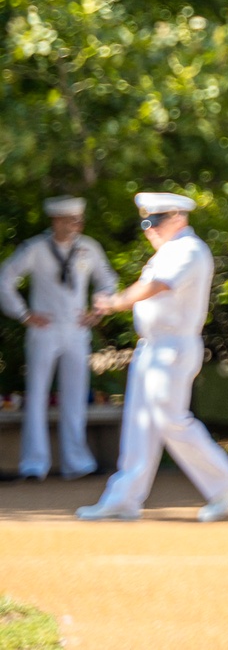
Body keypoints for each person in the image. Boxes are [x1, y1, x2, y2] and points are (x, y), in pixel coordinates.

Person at [78, 192, 228, 523]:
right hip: (154, 347)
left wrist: (115, 303)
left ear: (177, 217)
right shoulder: (169, 251)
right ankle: (124, 498)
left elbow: (157, 286)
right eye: (145, 223)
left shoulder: (189, 249)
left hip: (174, 346)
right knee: (140, 425)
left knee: (169, 419)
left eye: (154, 222)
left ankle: (227, 483)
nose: (149, 230)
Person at [0, 196, 118, 480]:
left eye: (78, 220)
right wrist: (24, 314)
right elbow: (5, 279)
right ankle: (33, 464)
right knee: (38, 394)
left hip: (76, 328)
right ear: (56, 221)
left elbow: (108, 280)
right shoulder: (36, 249)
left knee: (76, 395)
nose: (77, 225)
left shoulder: (88, 248)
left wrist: (99, 310)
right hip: (44, 328)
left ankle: (77, 463)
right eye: (70, 220)